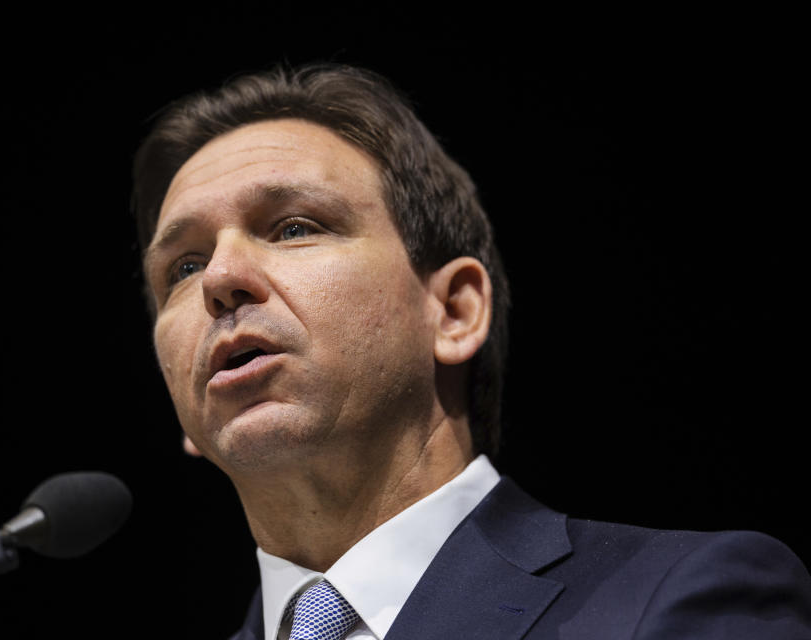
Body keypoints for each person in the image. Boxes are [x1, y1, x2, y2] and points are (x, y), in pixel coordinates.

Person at [132, 63, 811, 639]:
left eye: (294, 226)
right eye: (183, 269)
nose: (220, 279)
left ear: (454, 312)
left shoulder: (676, 601)